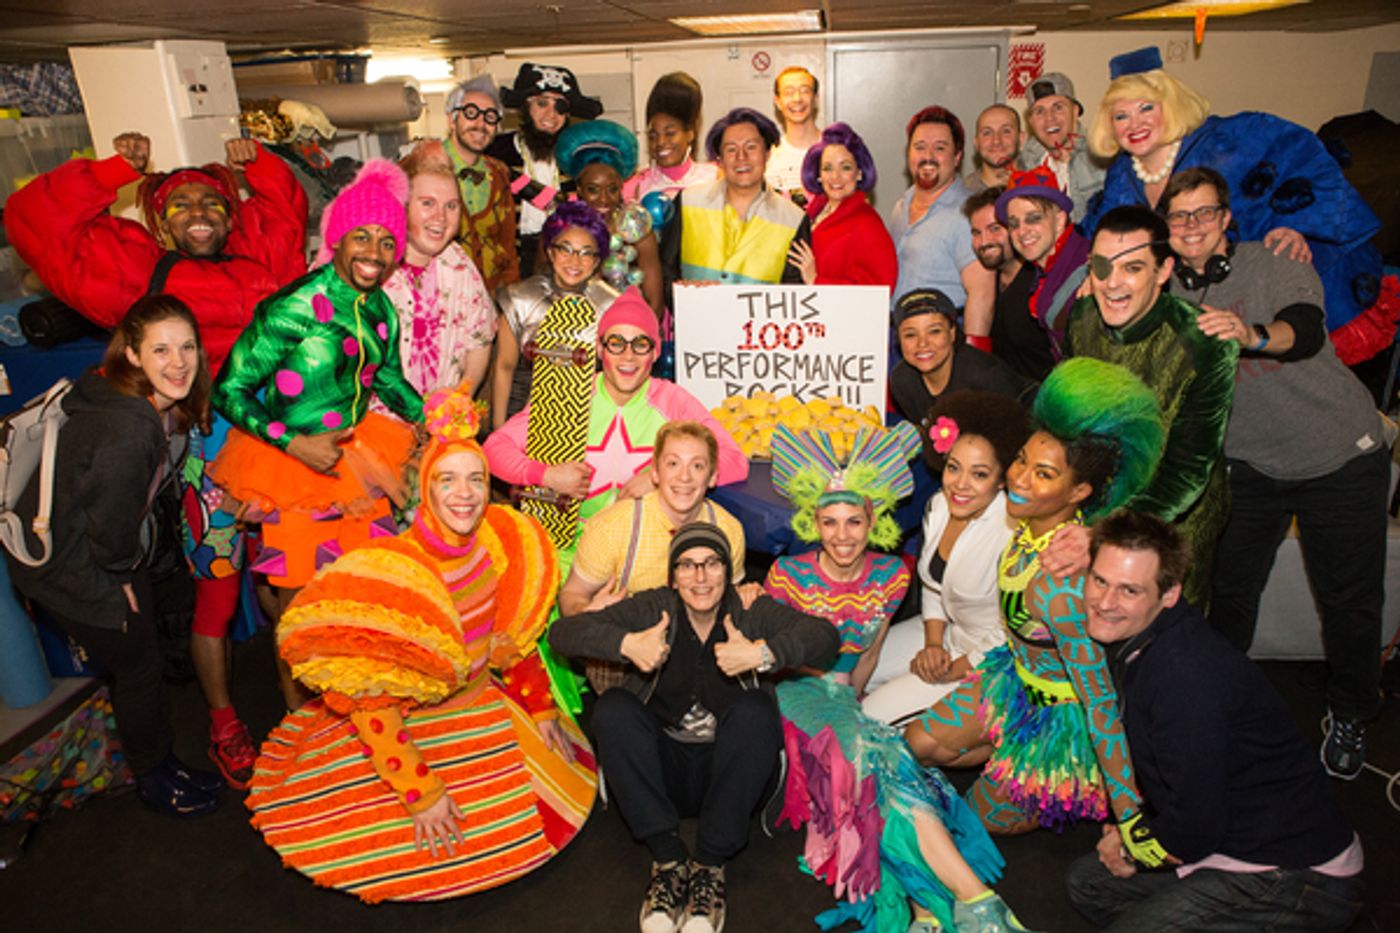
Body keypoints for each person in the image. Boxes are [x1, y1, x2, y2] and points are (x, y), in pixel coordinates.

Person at [4, 130, 309, 788]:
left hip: (283, 451)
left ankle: (305, 707)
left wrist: (257, 164)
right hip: (207, 463)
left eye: (213, 201)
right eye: (180, 203)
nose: (199, 209)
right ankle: (224, 721)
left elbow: (287, 216)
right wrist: (112, 170)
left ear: (231, 216)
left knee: (291, 584)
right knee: (218, 597)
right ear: (159, 223)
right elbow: (33, 221)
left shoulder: (262, 263)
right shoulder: (134, 276)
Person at [245, 390, 597, 902]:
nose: (465, 493)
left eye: (476, 478)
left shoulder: (497, 541)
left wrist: (540, 708)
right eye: (447, 479)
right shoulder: (397, 571)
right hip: (408, 730)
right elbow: (374, 709)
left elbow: (509, 642)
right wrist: (421, 793)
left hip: (481, 706)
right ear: (425, 487)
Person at [1163, 167, 1389, 779]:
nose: (1191, 227)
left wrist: (1251, 334)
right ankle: (1222, 704)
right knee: (1231, 591)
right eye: (1178, 217)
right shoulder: (1166, 294)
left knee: (1349, 599)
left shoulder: (1276, 258)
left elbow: (1307, 333)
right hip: (1251, 463)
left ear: (1226, 218)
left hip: (1341, 453)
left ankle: (1350, 711)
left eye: (1203, 214)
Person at [762, 421, 1031, 933]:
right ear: (812, 522)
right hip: (801, 698)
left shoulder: (891, 576)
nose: (842, 535)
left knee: (881, 770)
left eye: (854, 522)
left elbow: (871, 652)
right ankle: (970, 900)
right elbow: (780, 660)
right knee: (875, 758)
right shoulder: (786, 577)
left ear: (872, 522)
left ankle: (931, 910)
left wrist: (856, 704)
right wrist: (839, 705)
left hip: (855, 694)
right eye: (829, 521)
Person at [1065, 511, 1364, 933]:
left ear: (1169, 595)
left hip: (1294, 872)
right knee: (1089, 883)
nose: (1105, 602)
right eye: (1099, 580)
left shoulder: (1183, 677)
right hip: (1221, 840)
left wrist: (1133, 849)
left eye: (1129, 590)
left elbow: (1194, 827)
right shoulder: (1144, 640)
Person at [905, 358, 1166, 840]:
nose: (1020, 479)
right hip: (1011, 677)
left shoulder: (1062, 586)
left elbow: (1100, 703)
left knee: (971, 824)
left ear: (1079, 491)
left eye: (1043, 474)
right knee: (916, 744)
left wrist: (1129, 813)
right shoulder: (1026, 524)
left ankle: (1074, 787)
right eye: (1022, 460)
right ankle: (1001, 748)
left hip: (1058, 721)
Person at [549, 521, 841, 933]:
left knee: (756, 709)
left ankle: (708, 866)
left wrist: (762, 653)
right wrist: (626, 645)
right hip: (665, 771)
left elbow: (825, 637)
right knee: (613, 708)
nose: (700, 577)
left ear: (728, 570)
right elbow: (562, 633)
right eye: (687, 565)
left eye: (711, 564)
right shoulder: (655, 608)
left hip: (732, 776)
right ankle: (668, 860)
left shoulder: (748, 611)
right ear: (673, 576)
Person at [209, 160, 424, 706]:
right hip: (289, 475)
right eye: (361, 237)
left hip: (358, 469)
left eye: (386, 240)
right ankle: (303, 736)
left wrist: (433, 416)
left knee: (361, 605)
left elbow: (390, 378)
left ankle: (364, 731)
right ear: (337, 239)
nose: (374, 253)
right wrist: (292, 443)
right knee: (301, 622)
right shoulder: (292, 308)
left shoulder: (380, 310)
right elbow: (227, 392)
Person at [6, 295, 224, 817]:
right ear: (132, 355)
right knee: (139, 669)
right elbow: (109, 525)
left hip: (74, 550)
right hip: (70, 569)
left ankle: (153, 757)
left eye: (187, 347)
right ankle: (153, 775)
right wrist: (122, 575)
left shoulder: (113, 392)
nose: (178, 363)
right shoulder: (129, 427)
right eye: (161, 350)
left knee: (140, 656)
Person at [1081, 47, 1393, 367]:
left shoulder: (1226, 140)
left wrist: (1294, 224)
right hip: (1198, 305)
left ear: (1170, 106)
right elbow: (1111, 232)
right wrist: (1098, 272)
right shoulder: (1122, 172)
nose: (1135, 123)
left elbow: (1299, 155)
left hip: (1265, 294)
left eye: (1146, 108)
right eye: (1121, 116)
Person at [484, 287, 747, 566]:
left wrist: (659, 478)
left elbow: (734, 461)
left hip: (644, 550)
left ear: (655, 352)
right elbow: (494, 449)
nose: (628, 356)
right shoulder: (570, 395)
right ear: (600, 349)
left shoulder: (674, 402)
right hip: (569, 548)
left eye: (640, 344)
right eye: (616, 343)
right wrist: (546, 475)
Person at [1064, 206, 1238, 610]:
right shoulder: (1082, 317)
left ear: (1163, 272)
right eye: (1102, 267)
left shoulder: (1204, 341)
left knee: (1168, 634)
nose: (1112, 283)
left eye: (1133, 268)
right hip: (1101, 503)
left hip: (1177, 519)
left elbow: (1188, 470)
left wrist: (1105, 530)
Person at [863, 391, 1030, 725]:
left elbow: (1011, 630)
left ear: (1001, 481)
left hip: (990, 657)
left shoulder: (1012, 533)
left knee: (871, 716)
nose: (961, 485)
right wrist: (933, 644)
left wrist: (953, 669)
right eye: (954, 468)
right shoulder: (939, 505)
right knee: (854, 670)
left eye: (979, 474)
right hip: (947, 633)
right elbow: (933, 586)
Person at [559, 421, 745, 618]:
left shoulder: (728, 530)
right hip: (624, 638)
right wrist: (584, 613)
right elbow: (572, 594)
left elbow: (729, 602)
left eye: (697, 466)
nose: (684, 477)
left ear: (712, 477)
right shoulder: (611, 527)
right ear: (655, 473)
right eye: (673, 464)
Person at [378, 140, 495, 402]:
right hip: (375, 424)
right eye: (428, 203)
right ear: (403, 204)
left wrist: (463, 394)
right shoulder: (370, 266)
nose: (441, 218)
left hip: (443, 420)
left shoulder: (460, 265)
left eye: (451, 206)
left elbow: (479, 340)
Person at [491, 200, 619, 429]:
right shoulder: (520, 298)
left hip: (588, 422)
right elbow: (504, 367)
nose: (574, 261)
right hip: (522, 416)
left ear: (597, 261)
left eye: (586, 253)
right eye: (565, 250)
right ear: (550, 251)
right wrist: (498, 432)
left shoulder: (612, 306)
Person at [659, 107, 810, 297]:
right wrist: (683, 295)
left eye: (751, 147)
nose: (741, 157)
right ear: (719, 160)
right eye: (731, 149)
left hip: (757, 326)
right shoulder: (687, 202)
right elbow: (664, 269)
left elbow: (794, 292)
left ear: (767, 154)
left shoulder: (794, 219)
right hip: (695, 322)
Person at [890, 106, 994, 346]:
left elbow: (982, 293)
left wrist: (973, 359)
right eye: (919, 147)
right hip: (901, 337)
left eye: (940, 148)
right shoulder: (900, 206)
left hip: (944, 341)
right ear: (908, 154)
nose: (928, 156)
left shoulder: (969, 212)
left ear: (957, 157)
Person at [488, 62, 604, 276]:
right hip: (510, 259)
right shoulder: (495, 152)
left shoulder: (581, 158)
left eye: (560, 107)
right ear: (526, 107)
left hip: (565, 259)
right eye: (542, 104)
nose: (551, 115)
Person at [556, 119, 665, 316]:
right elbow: (542, 290)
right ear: (579, 189)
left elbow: (655, 301)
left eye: (612, 189)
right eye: (593, 190)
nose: (604, 199)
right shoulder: (560, 227)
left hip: (627, 330)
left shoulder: (636, 227)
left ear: (622, 186)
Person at [888, 289, 1026, 440]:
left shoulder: (985, 377)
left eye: (934, 331)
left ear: (952, 333)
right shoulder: (902, 380)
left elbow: (1016, 437)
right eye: (910, 335)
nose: (922, 343)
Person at [784, 121, 898, 290]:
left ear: (859, 172)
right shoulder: (814, 212)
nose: (835, 177)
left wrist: (816, 280)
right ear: (818, 175)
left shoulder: (867, 222)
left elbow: (880, 289)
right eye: (827, 168)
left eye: (845, 167)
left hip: (841, 316)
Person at [996, 166, 1090, 367]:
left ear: (1059, 221)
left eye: (1034, 218)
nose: (1022, 231)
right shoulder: (1044, 271)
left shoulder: (1085, 264)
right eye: (1014, 224)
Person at [443, 75, 520, 294]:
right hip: (438, 299)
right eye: (470, 114)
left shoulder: (499, 174)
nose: (480, 124)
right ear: (452, 119)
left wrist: (512, 303)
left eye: (490, 117)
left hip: (488, 299)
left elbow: (507, 247)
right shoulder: (420, 167)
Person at [1017, 72, 1105, 223]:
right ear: (1031, 121)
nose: (1049, 118)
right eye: (1039, 111)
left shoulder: (1101, 157)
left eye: (1058, 107)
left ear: (1075, 112)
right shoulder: (1026, 164)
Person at [623, 72, 714, 205]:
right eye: (653, 136)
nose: (660, 142)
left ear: (690, 133)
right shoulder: (637, 185)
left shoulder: (713, 179)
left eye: (670, 133)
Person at [764, 65, 821, 203]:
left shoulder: (836, 149)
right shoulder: (767, 156)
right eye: (788, 92)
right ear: (777, 101)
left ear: (816, 99)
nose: (797, 98)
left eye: (805, 91)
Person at [967, 104, 1024, 194]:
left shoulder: (1040, 187)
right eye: (987, 133)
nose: (996, 141)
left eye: (1006, 131)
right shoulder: (962, 195)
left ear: (1021, 138)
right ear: (976, 142)